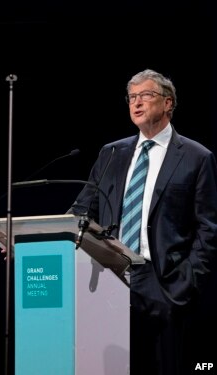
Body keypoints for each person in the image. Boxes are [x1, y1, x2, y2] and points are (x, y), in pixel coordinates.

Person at [67, 69, 217, 375]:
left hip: (163, 282)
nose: (137, 103)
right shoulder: (112, 153)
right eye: (132, 97)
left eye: (146, 95)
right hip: (109, 276)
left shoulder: (196, 157)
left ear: (168, 103)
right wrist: (37, 241)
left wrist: (184, 283)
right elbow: (82, 211)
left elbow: (208, 228)